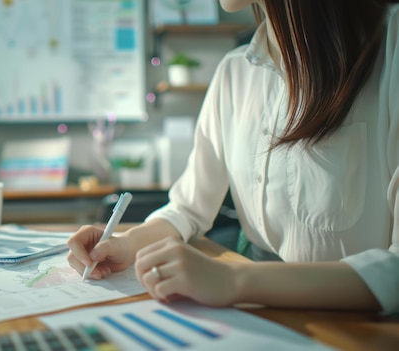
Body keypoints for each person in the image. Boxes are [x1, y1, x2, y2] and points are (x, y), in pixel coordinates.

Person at [67, 0, 399, 315]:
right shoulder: (234, 73)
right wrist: (125, 245)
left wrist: (233, 281)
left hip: (356, 329)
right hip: (260, 319)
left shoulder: (392, 44)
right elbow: (187, 210)